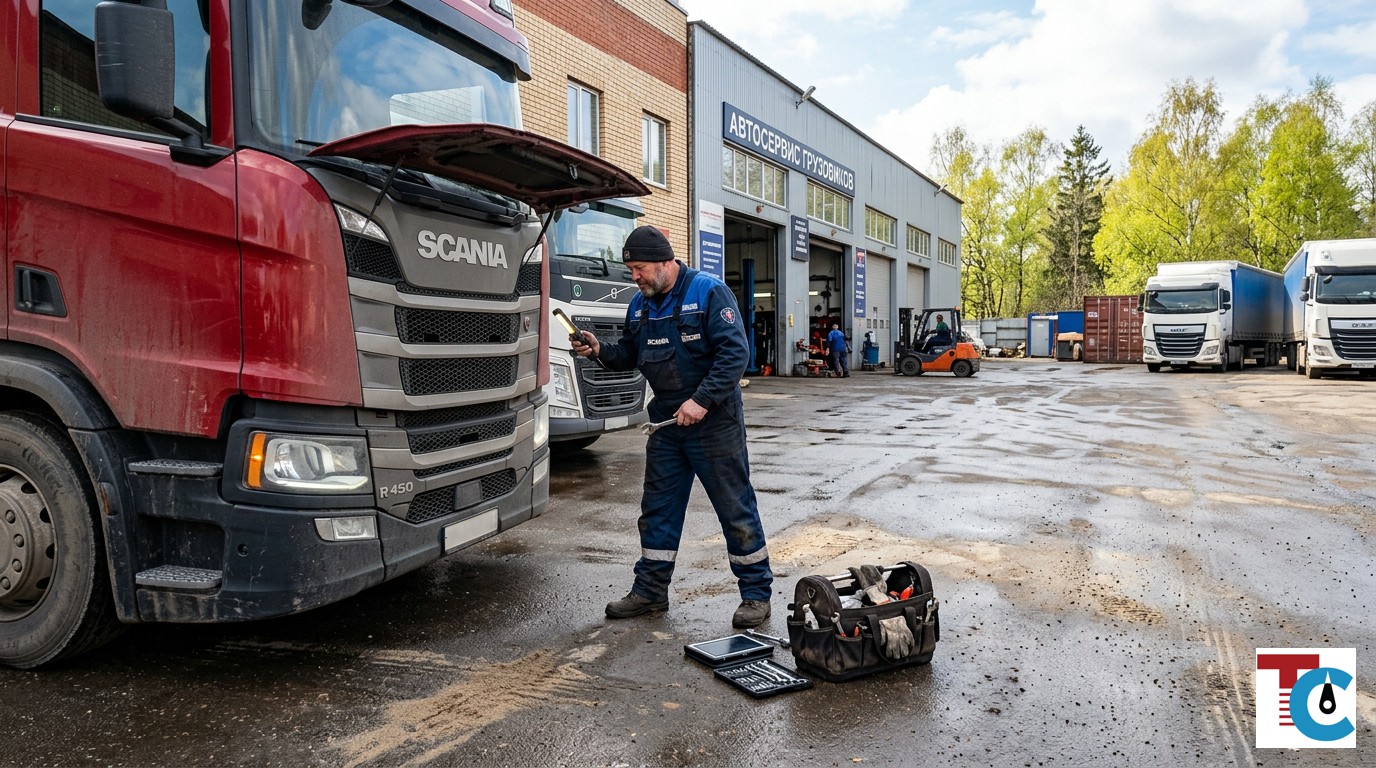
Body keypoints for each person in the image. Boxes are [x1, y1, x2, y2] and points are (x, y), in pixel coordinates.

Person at [570, 225, 773, 629]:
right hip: (665, 422)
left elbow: (735, 354)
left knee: (734, 506)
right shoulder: (639, 306)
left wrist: (701, 401)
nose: (635, 277)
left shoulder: (709, 293)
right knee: (658, 509)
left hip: (714, 421)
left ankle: (755, 593)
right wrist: (599, 350)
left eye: (640, 268)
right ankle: (650, 592)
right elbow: (631, 352)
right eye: (630, 270)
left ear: (666, 262)